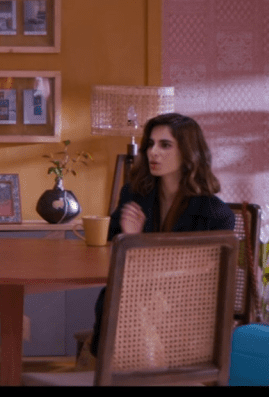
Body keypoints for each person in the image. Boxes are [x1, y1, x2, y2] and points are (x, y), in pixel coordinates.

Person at [89, 112, 234, 357]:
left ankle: (129, 367)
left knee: (123, 301)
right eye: (150, 144)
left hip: (184, 307)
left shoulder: (215, 213)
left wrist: (135, 241)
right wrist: (126, 238)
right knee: (114, 297)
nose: (153, 152)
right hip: (136, 292)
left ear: (188, 152)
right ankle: (121, 367)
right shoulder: (134, 194)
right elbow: (110, 242)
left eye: (165, 145)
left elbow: (198, 275)